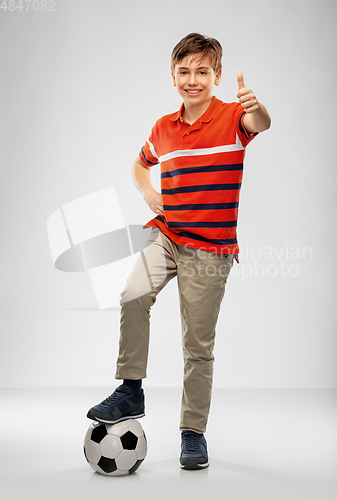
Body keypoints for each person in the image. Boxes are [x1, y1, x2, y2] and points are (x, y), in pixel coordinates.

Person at [87, 33, 271, 470]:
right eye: (184, 72)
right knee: (133, 293)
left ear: (218, 76)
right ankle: (131, 389)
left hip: (211, 248)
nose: (193, 80)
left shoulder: (233, 117)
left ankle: (193, 433)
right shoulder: (164, 128)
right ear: (173, 76)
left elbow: (260, 124)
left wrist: (256, 107)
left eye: (202, 72)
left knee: (197, 344)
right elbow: (139, 163)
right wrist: (148, 190)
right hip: (168, 235)